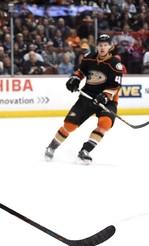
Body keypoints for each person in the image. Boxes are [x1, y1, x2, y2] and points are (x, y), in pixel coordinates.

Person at [44, 34, 123, 164]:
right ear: (97, 46)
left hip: (107, 101)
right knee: (70, 125)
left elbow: (115, 87)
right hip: (87, 96)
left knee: (105, 122)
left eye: (105, 45)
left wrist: (104, 96)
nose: (102, 48)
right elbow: (81, 72)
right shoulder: (89, 58)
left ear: (110, 47)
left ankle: (85, 151)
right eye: (100, 45)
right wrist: (75, 79)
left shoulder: (115, 65)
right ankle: (52, 146)